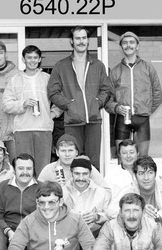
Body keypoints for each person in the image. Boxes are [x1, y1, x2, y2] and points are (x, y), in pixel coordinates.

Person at [47, 25, 114, 169]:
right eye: (77, 38)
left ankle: (95, 190)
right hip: (72, 121)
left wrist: (97, 103)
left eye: (84, 38)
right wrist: (69, 105)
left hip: (94, 120)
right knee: (73, 161)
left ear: (88, 41)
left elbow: (107, 89)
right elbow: (52, 92)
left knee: (93, 162)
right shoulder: (61, 65)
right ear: (72, 41)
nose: (81, 41)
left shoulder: (97, 65)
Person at [106, 31, 162, 157]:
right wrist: (116, 108)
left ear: (137, 46)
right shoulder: (115, 71)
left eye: (132, 42)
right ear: (121, 47)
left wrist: (146, 109)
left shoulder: (148, 68)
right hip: (122, 119)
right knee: (122, 158)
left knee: (142, 158)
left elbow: (158, 95)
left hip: (142, 119)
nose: (128, 45)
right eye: (125, 43)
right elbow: (107, 100)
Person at [3, 45, 56, 176]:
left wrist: (53, 114)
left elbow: (59, 99)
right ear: (23, 59)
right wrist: (23, 104)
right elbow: (5, 105)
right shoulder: (15, 80)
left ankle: (43, 195)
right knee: (25, 168)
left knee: (43, 169)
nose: (32, 60)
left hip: (43, 128)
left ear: (39, 60)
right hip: (22, 129)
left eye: (35, 58)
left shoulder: (47, 78)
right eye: (29, 57)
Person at [0, 153, 40, 240]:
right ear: (14, 170)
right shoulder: (4, 186)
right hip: (7, 233)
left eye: (29, 168)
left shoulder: (41, 188)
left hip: (34, 234)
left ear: (33, 170)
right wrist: (8, 232)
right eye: (20, 168)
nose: (25, 172)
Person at [62, 158, 114, 236]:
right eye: (77, 173)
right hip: (68, 237)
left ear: (90, 174)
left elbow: (111, 216)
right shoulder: (62, 192)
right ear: (71, 173)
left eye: (85, 174)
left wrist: (97, 217)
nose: (81, 178)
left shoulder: (102, 193)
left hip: (95, 236)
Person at [38, 134, 109, 189]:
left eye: (70, 150)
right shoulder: (48, 170)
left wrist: (88, 185)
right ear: (57, 152)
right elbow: (37, 192)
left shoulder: (86, 167)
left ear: (76, 152)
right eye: (63, 151)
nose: (67, 154)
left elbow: (106, 190)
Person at [105, 139, 139, 204]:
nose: (128, 156)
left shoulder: (143, 173)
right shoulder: (111, 175)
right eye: (124, 153)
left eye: (131, 152)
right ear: (120, 155)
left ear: (137, 154)